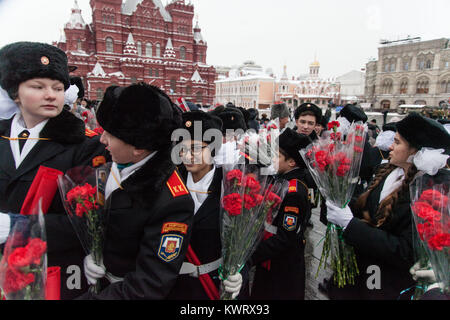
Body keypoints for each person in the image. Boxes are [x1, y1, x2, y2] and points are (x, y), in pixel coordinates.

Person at [0, 41, 106, 299]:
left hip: (54, 274)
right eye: (38, 87)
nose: (51, 95)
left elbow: (88, 221)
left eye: (58, 88)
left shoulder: (85, 145)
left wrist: (15, 226)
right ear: (15, 93)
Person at [77, 83, 196, 299]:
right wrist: (90, 254)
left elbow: (150, 283)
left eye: (110, 135)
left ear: (138, 147)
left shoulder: (170, 200)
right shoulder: (105, 164)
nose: (102, 140)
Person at [322, 112, 450, 300]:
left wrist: (351, 225)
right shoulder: (387, 171)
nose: (390, 146)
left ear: (415, 151)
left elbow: (405, 250)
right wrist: (336, 196)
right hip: (362, 272)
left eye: (397, 143)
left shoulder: (430, 193)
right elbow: (365, 206)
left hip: (387, 284)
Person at [167, 110, 244, 300]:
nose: (188, 156)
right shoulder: (170, 183)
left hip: (213, 285)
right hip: (175, 286)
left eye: (196, 148)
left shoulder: (230, 186)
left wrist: (240, 270)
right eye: (182, 149)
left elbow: (241, 239)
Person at [249, 128, 312, 300]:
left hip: (282, 265)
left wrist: (250, 256)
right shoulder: (282, 179)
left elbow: (285, 237)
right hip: (270, 257)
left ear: (291, 162)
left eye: (276, 155)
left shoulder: (293, 191)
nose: (272, 159)